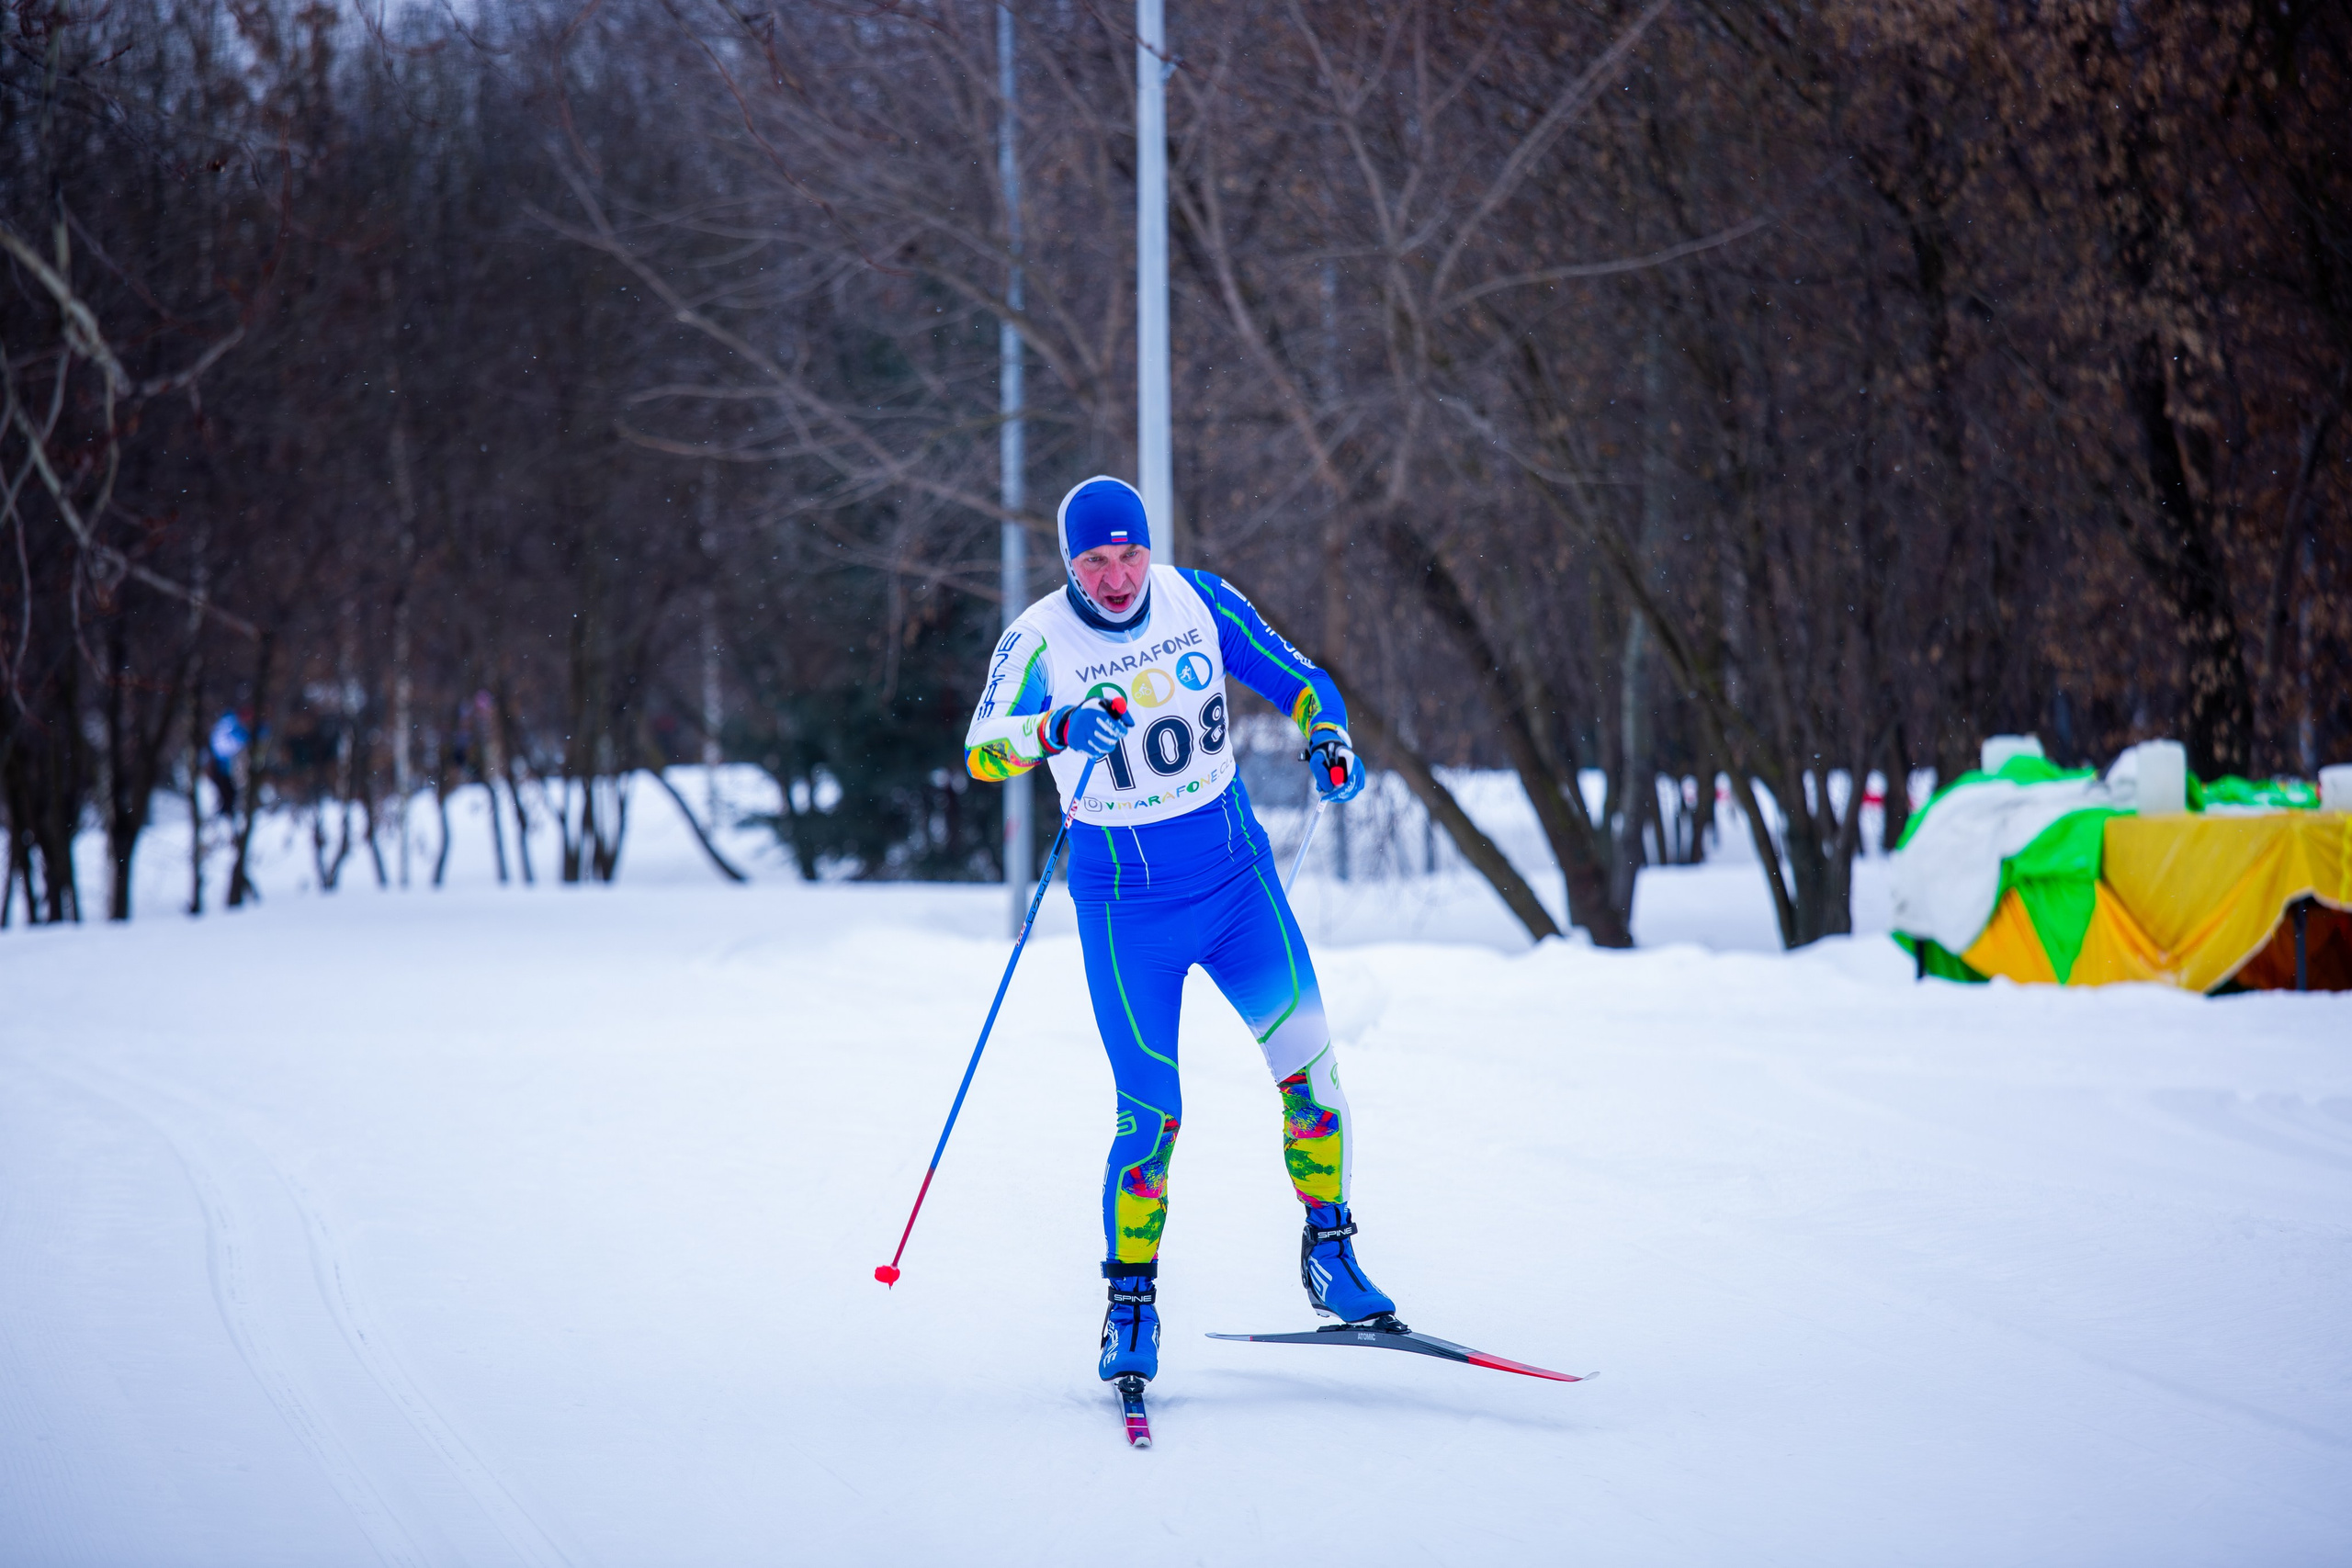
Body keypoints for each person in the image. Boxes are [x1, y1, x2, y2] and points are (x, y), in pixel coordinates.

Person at [964, 474, 1396, 1389]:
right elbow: (982, 748)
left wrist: (1329, 738)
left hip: (1238, 884)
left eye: (1129, 555)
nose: (1117, 578)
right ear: (1067, 560)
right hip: (1128, 910)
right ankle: (1130, 1303)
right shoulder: (1039, 637)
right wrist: (1059, 726)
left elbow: (1305, 681)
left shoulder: (1197, 598)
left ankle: (1330, 1250)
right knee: (1151, 1115)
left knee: (1311, 1075)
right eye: (1095, 560)